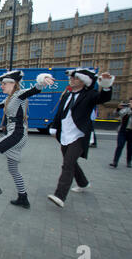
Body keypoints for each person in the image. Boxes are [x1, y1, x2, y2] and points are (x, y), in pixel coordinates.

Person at [0, 71, 54, 209]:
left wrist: (41, 80)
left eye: (4, 84)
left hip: (17, 133)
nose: (2, 87)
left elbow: (34, 90)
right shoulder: (9, 99)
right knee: (13, 170)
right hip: (15, 133)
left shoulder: (19, 95)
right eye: (2, 84)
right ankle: (23, 198)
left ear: (13, 84)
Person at [48, 69, 114, 209]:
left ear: (84, 81)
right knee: (71, 162)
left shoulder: (90, 94)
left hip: (79, 135)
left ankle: (60, 196)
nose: (71, 80)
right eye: (71, 78)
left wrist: (107, 85)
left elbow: (103, 98)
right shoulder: (67, 95)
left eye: (75, 78)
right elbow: (60, 112)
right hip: (65, 134)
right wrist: (54, 127)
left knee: (67, 164)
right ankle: (83, 183)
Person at [110, 97, 132, 169]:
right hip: (122, 130)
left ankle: (129, 161)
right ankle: (115, 162)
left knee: (130, 147)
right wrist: (118, 108)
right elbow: (116, 115)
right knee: (119, 145)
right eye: (130, 101)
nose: (131, 103)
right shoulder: (126, 109)